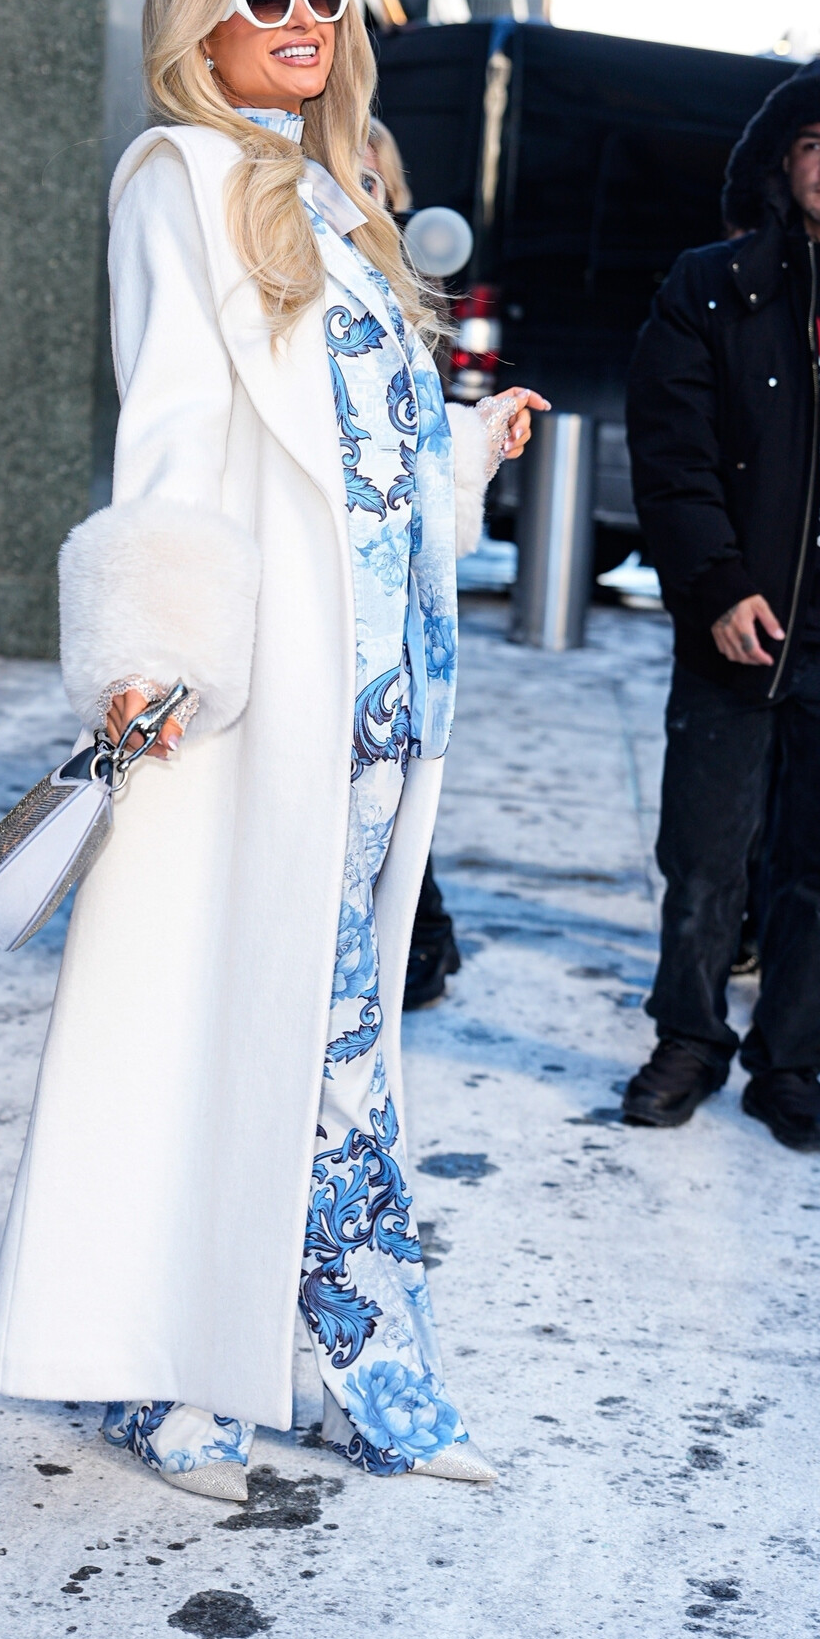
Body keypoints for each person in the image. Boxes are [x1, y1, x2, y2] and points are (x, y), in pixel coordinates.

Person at [0, 0, 548, 1503]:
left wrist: (466, 447)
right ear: (199, 23)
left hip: (378, 696)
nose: (303, 17)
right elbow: (170, 429)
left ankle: (358, 1372)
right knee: (228, 1030)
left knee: (332, 1040)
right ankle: (181, 1380)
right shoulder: (181, 175)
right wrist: (151, 648)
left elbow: (350, 457)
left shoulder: (334, 198)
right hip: (259, 698)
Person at [623, 58, 820, 1152]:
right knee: (702, 860)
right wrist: (716, 585)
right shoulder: (711, 286)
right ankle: (687, 1043)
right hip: (737, 628)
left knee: (817, 875)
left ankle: (790, 1068)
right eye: (811, 147)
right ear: (782, 164)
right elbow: (669, 457)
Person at [360, 115, 462, 1006]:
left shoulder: (397, 294)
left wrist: (477, 439)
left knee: (385, 758)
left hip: (386, 583)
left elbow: (418, 447)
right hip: (310, 574)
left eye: (372, 177)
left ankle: (420, 933)